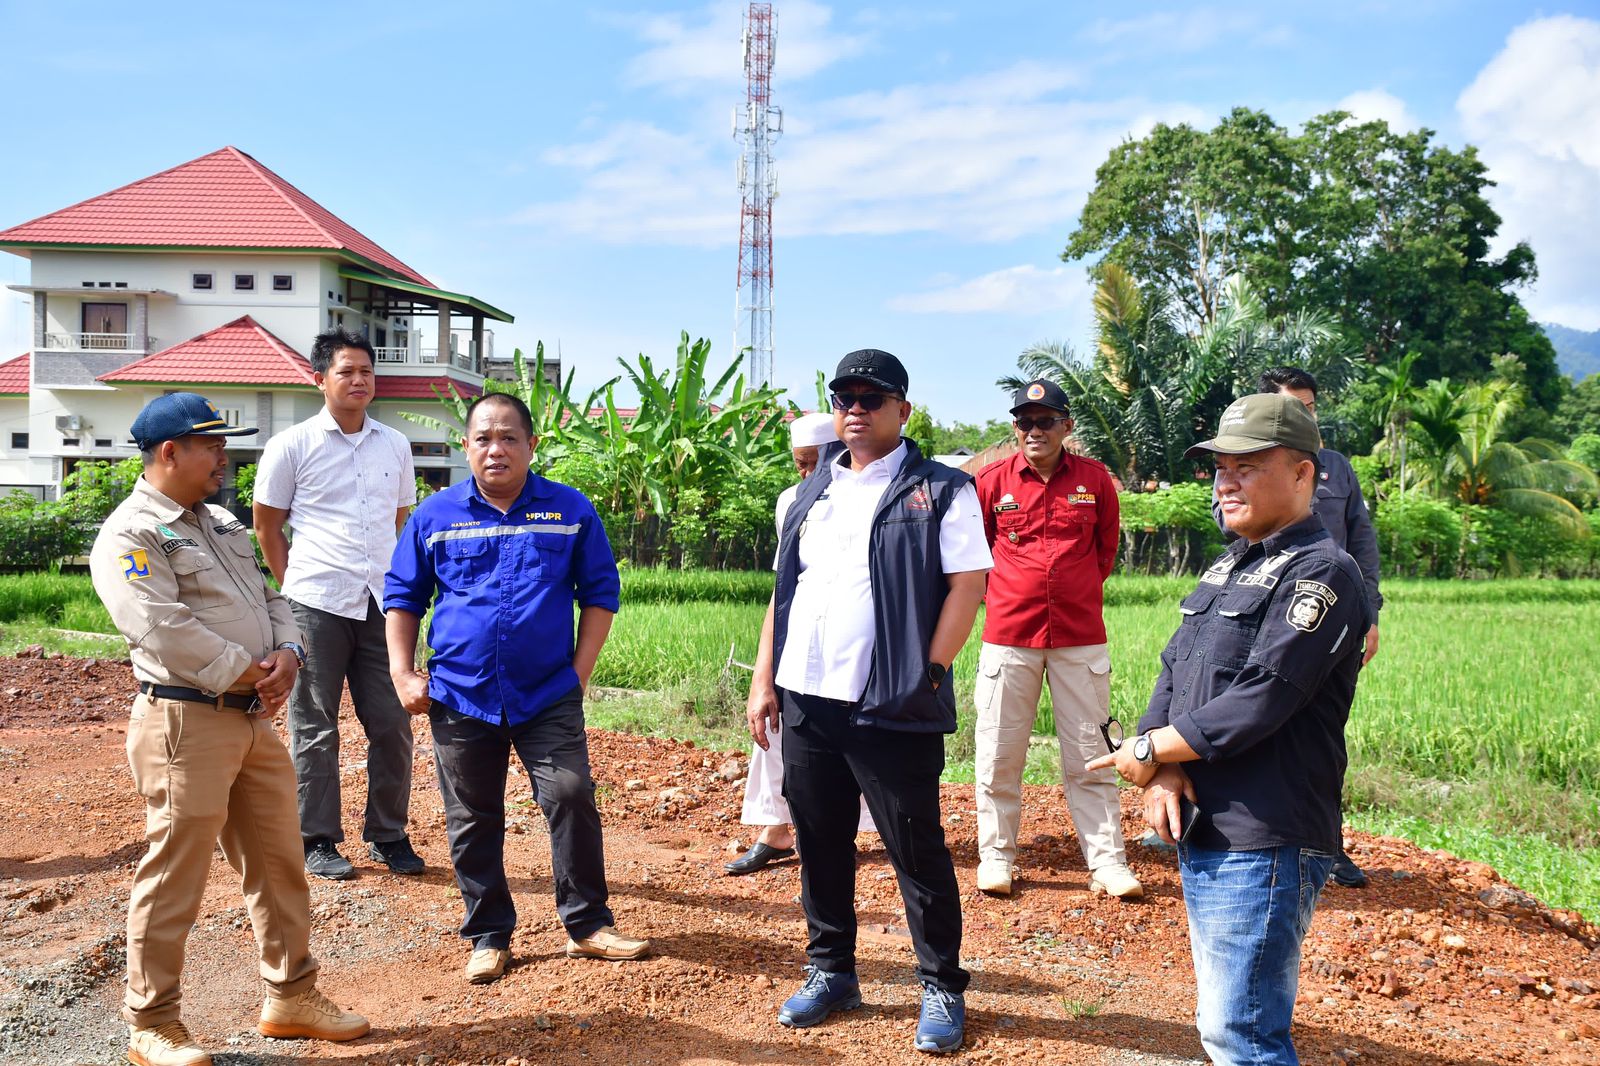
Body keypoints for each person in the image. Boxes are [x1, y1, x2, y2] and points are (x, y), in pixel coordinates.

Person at [1088, 393, 1368, 1066]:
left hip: (1264, 832)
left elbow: (1265, 696)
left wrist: (1149, 747)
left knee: (1242, 1034)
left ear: (1305, 474)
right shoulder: (1231, 563)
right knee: (1227, 1025)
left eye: (1247, 465)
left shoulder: (1323, 572)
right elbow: (1176, 668)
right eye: (1219, 466)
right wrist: (1166, 769)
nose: (1226, 479)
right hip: (1208, 821)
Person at [91, 393, 369, 1066]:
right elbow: (159, 626)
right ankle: (152, 1022)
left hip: (250, 720)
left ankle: (291, 996)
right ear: (169, 453)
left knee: (280, 864)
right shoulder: (132, 533)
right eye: (211, 445)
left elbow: (273, 596)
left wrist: (290, 653)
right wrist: (253, 673)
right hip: (184, 721)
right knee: (174, 874)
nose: (223, 457)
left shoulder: (217, 522)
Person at [746, 349, 992, 1054]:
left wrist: (932, 671)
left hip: (890, 702)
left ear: (902, 409)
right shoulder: (805, 493)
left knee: (915, 847)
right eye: (845, 395)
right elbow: (781, 597)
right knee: (820, 841)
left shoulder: (941, 489)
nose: (856, 406)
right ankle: (832, 971)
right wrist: (765, 681)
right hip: (807, 700)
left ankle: (941, 983)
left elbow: (967, 585)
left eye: (871, 396)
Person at [385, 393, 648, 986]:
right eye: (483, 438)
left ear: (531, 445)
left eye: (508, 437)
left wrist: (579, 673)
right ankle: (488, 934)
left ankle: (587, 925)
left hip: (546, 693)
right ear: (467, 447)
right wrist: (403, 672)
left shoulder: (570, 510)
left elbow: (600, 594)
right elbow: (403, 597)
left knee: (571, 794)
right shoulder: (435, 515)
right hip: (460, 694)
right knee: (473, 816)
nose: (495, 449)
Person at [254, 327, 422, 881]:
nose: (358, 380)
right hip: (315, 601)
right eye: (346, 371)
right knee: (315, 724)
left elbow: (399, 521)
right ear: (319, 379)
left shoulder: (395, 445)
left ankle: (388, 834)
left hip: (380, 602)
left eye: (366, 372)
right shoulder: (291, 445)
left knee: (393, 722)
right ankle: (318, 839)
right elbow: (268, 525)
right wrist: (294, 589)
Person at [1208, 367, 1382, 889]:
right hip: (1263, 602)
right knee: (1247, 706)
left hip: (1329, 607)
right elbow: (1228, 519)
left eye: (1309, 406)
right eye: (1292, 407)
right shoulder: (1249, 469)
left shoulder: (1337, 469)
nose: (1304, 415)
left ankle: (1326, 844)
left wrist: (1369, 612)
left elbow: (1362, 539)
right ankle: (1225, 826)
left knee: (1319, 727)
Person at [971, 379, 1142, 900]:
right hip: (1009, 638)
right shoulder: (991, 483)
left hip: (1079, 638)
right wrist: (1006, 598)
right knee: (999, 752)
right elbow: (974, 559)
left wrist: (1076, 590)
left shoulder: (1095, 481)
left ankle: (1108, 863)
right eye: (1024, 421)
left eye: (1045, 421)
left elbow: (1104, 552)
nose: (1034, 430)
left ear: (1067, 425)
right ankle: (997, 857)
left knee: (1091, 753)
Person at [726, 412, 877, 875]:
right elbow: (784, 582)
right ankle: (775, 830)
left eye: (816, 462)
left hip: (856, 641)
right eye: (799, 465)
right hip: (798, 637)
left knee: (865, 740)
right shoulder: (790, 501)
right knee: (774, 731)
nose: (807, 474)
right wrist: (762, 668)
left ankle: (863, 831)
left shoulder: (875, 492)